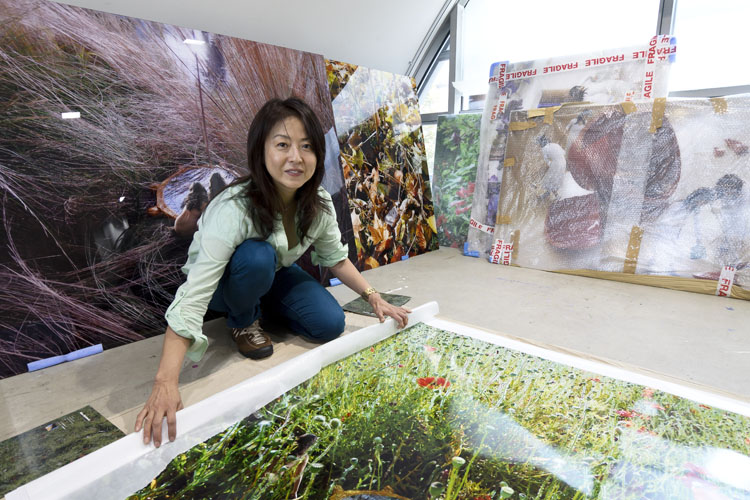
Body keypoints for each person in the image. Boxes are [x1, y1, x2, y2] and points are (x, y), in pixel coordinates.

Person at [135, 97, 411, 448]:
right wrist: (165, 382)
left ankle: (262, 304)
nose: (296, 157)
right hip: (226, 280)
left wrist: (375, 298)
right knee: (257, 256)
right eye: (282, 145)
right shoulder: (232, 208)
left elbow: (336, 259)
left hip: (275, 271)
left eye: (307, 146)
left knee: (329, 325)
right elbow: (193, 297)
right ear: (260, 152)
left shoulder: (319, 202)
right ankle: (242, 319)